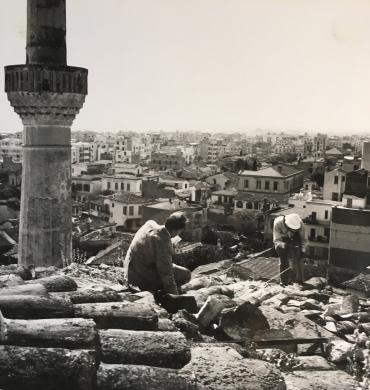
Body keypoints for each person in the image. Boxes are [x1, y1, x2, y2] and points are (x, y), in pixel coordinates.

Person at [124, 211, 191, 295]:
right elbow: (166, 273)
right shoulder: (163, 243)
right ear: (176, 231)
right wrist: (174, 295)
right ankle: (159, 294)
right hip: (138, 277)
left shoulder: (150, 223)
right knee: (186, 274)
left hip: (130, 267)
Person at [273, 213, 306, 285]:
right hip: (282, 240)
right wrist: (285, 245)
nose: (293, 231)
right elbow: (276, 241)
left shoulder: (300, 224)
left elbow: (303, 239)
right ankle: (284, 282)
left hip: (296, 238)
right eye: (292, 230)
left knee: (298, 258)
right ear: (286, 225)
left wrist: (302, 250)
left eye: (295, 230)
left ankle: (299, 281)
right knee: (283, 260)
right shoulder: (278, 223)